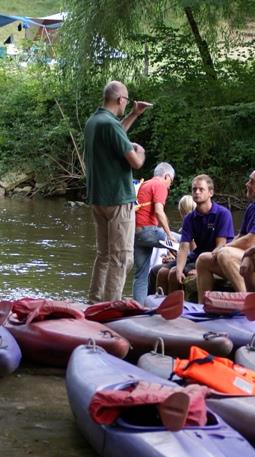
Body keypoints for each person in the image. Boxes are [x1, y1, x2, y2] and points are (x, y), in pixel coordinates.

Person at [84, 80, 151, 303]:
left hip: (98, 198)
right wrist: (140, 152)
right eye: (127, 101)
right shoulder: (109, 125)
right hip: (118, 199)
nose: (126, 104)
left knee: (104, 255)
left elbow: (116, 133)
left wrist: (134, 115)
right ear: (120, 100)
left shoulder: (95, 121)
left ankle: (95, 303)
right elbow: (135, 163)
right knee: (122, 258)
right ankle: (111, 307)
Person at [194, 167, 255, 300]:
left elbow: (251, 241)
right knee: (203, 259)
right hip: (250, 258)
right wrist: (225, 246)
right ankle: (203, 306)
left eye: (252, 182)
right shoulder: (252, 207)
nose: (247, 184)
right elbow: (242, 235)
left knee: (225, 254)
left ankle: (246, 301)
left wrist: (224, 247)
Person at [156, 175, 234, 293]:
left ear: (210, 193)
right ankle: (159, 305)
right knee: (162, 272)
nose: (197, 192)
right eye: (194, 189)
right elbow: (183, 247)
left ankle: (178, 308)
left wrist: (203, 268)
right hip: (196, 255)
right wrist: (179, 269)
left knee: (172, 274)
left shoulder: (222, 213)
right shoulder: (190, 218)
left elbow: (221, 246)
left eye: (201, 189)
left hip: (216, 259)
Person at [131, 162, 175, 304]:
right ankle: (192, 268)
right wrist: (169, 235)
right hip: (148, 231)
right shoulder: (160, 185)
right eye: (171, 182)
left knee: (141, 275)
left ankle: (139, 308)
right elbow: (158, 211)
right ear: (167, 176)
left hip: (135, 234)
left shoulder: (144, 185)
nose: (170, 186)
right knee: (183, 241)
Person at [147, 195, 195, 295]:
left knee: (166, 272)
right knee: (155, 271)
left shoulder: (193, 225)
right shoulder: (186, 226)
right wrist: (173, 257)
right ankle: (154, 301)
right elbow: (184, 251)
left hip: (192, 261)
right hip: (185, 259)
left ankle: (167, 300)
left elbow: (194, 252)